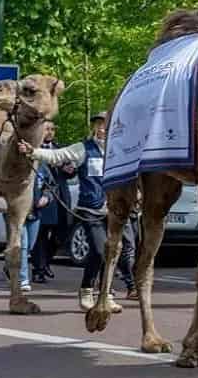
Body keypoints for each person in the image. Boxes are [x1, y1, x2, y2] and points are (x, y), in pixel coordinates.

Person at [22, 111, 130, 313]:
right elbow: (57, 155)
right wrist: (33, 152)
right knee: (99, 251)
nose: (102, 129)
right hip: (90, 209)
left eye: (106, 125)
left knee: (115, 253)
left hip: (115, 211)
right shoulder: (84, 149)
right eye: (99, 125)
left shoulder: (121, 150)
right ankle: (86, 290)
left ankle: (106, 295)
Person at [30, 120, 68, 283]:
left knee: (61, 234)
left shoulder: (61, 149)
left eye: (53, 129)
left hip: (61, 197)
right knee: (41, 234)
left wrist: (70, 170)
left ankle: (45, 262)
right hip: (42, 196)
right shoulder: (34, 149)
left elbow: (69, 172)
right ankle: (39, 269)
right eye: (47, 129)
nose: (50, 132)